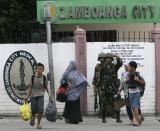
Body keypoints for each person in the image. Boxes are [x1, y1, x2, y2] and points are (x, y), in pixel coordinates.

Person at [25, 63, 51, 129]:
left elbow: (46, 87)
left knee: (40, 110)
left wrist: (49, 94)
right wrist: (27, 97)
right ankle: (33, 119)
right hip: (33, 96)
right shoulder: (33, 77)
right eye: (38, 69)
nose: (39, 70)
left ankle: (38, 124)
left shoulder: (44, 77)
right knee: (33, 109)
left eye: (41, 69)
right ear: (36, 69)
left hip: (41, 96)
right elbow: (30, 88)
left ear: (43, 70)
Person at [100, 53, 123, 123]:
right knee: (104, 103)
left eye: (109, 58)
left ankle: (118, 118)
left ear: (112, 59)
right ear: (105, 59)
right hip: (105, 88)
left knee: (117, 103)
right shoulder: (102, 67)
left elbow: (120, 63)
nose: (108, 59)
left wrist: (117, 57)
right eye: (107, 58)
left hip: (113, 88)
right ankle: (103, 118)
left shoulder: (115, 66)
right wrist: (100, 87)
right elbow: (100, 77)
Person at [127, 61, 145, 126]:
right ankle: (139, 118)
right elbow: (127, 83)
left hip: (137, 92)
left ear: (133, 67)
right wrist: (127, 81)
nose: (128, 67)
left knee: (135, 106)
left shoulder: (138, 75)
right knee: (133, 107)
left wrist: (138, 80)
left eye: (129, 66)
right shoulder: (128, 75)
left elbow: (143, 83)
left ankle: (136, 121)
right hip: (130, 92)